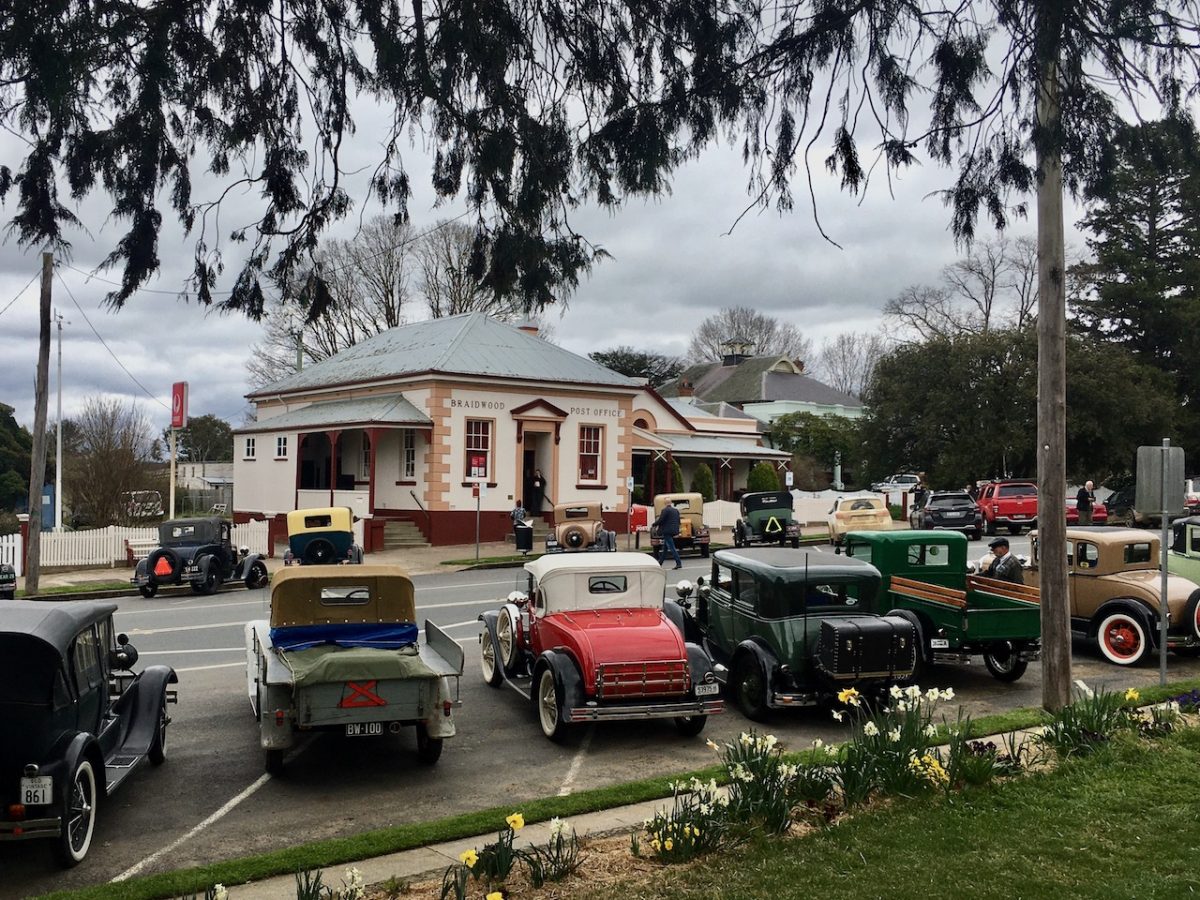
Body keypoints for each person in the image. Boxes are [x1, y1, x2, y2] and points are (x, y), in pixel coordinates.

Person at [654, 501, 683, 569]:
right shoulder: (676, 510)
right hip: (674, 530)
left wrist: (654, 524)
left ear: (665, 503)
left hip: (667, 531)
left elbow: (661, 520)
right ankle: (660, 563)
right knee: (665, 549)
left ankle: (678, 563)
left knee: (672, 547)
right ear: (671, 503)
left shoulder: (665, 510)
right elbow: (678, 521)